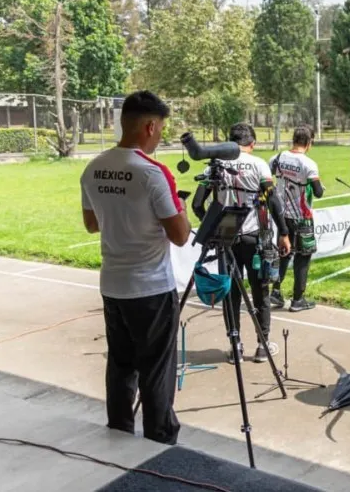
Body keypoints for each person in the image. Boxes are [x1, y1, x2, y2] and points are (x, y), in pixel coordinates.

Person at [80, 90, 189, 445]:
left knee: (120, 364)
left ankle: (120, 433)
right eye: (161, 130)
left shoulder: (93, 167)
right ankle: (159, 442)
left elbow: (91, 225)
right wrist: (182, 211)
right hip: (151, 288)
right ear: (150, 126)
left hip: (113, 285)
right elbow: (180, 236)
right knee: (156, 371)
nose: (160, 136)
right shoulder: (153, 173)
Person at [191, 122, 291, 364]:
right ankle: (262, 345)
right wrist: (284, 232)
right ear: (252, 143)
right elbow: (273, 200)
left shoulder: (216, 165)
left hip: (226, 240)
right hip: (254, 238)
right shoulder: (259, 164)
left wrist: (213, 226)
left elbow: (196, 204)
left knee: (232, 293)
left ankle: (235, 346)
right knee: (260, 292)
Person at [269, 125, 324, 312]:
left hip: (281, 215)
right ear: (309, 143)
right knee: (303, 256)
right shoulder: (308, 164)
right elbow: (318, 193)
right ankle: (298, 300)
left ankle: (275, 292)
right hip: (302, 217)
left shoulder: (276, 158)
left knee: (284, 252)